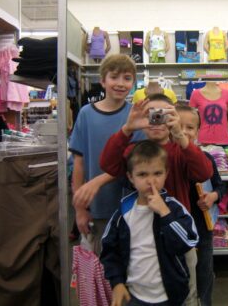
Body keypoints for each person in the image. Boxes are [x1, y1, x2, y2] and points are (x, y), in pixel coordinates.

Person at [100, 94, 213, 306]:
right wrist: (128, 129)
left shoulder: (181, 149)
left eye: (165, 114)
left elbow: (204, 172)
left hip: (176, 235)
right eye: (152, 114)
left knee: (186, 295)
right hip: (141, 237)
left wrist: (180, 134)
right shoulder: (136, 152)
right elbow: (108, 164)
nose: (158, 119)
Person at [101, 140, 199, 306]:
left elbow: (187, 243)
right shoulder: (124, 211)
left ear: (166, 174)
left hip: (171, 296)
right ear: (130, 177)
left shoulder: (174, 208)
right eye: (142, 174)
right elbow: (109, 249)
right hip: (133, 296)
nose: (151, 181)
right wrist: (117, 282)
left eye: (157, 173)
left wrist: (165, 214)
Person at [69, 54, 144, 254]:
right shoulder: (86, 113)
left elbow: (136, 165)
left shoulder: (135, 117)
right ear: (102, 80)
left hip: (130, 206)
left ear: (133, 83)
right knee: (100, 269)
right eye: (114, 77)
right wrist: (80, 209)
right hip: (96, 207)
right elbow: (79, 163)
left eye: (127, 78)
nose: (120, 84)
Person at [175, 104, 225, 306]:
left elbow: (220, 186)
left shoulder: (205, 159)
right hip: (177, 230)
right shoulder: (165, 158)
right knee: (180, 275)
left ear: (197, 131)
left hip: (202, 228)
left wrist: (213, 196)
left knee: (204, 273)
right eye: (179, 126)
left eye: (190, 127)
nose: (185, 132)